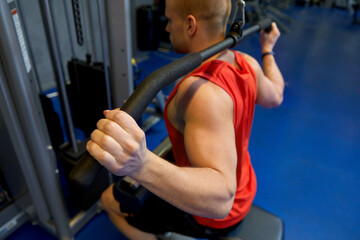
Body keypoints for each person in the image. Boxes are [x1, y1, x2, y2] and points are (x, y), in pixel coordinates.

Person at [86, 0, 284, 239]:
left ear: (190, 25)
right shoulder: (247, 63)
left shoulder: (202, 94)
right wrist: (267, 49)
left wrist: (141, 164)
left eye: (170, 20)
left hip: (212, 215)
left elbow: (221, 201)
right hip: (246, 187)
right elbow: (276, 96)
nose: (167, 28)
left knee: (109, 200)